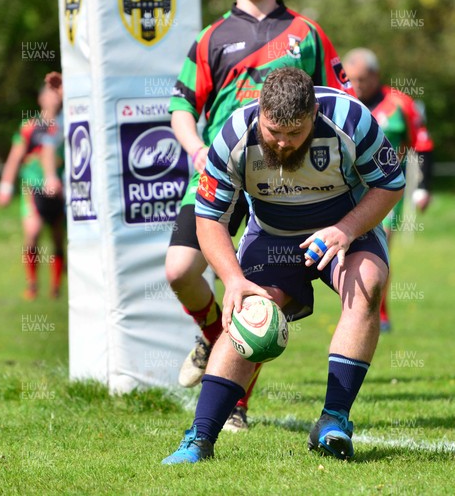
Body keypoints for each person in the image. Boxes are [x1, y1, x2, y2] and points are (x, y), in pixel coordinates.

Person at [161, 67, 405, 464]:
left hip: (344, 227)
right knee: (249, 312)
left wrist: (344, 230)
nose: (285, 143)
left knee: (368, 283)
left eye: (296, 133)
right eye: (275, 132)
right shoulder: (234, 134)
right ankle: (199, 439)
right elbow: (208, 216)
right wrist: (234, 280)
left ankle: (333, 420)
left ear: (314, 114)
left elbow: (390, 183)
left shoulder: (351, 118)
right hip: (274, 233)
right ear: (260, 111)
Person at [166, 0, 355, 430]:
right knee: (180, 271)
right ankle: (212, 337)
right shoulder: (211, 39)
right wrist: (198, 148)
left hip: (287, 177)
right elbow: (181, 107)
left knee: (265, 291)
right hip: (224, 169)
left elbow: (343, 103)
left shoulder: (307, 34)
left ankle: (235, 406)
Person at [343, 48, 433, 332]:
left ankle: (379, 313)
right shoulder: (342, 102)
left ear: (375, 75)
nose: (356, 85)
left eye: (361, 79)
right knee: (346, 251)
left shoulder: (399, 103)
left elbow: (423, 143)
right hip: (347, 189)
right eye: (350, 78)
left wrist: (423, 188)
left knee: (379, 247)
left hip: (386, 190)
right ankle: (355, 312)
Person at [0, 72, 65, 300]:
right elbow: (15, 159)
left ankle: (56, 288)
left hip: (60, 191)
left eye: (57, 94)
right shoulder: (30, 127)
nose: (53, 98)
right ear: (41, 99)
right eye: (49, 94)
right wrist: (5, 187)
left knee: (57, 239)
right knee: (33, 233)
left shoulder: (67, 126)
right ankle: (32, 285)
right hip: (32, 188)